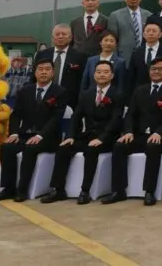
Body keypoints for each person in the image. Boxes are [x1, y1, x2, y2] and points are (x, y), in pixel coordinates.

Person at [41, 60, 123, 205]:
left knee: (91, 150)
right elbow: (76, 117)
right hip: (88, 135)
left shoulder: (118, 94)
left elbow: (115, 120)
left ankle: (85, 191)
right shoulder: (87, 94)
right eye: (98, 72)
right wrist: (71, 136)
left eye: (105, 72)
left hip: (108, 137)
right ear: (93, 74)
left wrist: (102, 138)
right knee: (63, 148)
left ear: (112, 75)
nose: (101, 75)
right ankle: (58, 189)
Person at [102, 57, 162, 206]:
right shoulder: (140, 90)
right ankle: (118, 191)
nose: (156, 72)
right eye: (153, 69)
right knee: (119, 146)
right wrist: (128, 131)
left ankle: (149, 191)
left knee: (153, 147)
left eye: (160, 69)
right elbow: (131, 113)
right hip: (139, 135)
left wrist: (159, 133)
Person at [0, 58, 66, 202]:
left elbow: (56, 119)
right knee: (7, 147)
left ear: (53, 72)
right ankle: (8, 189)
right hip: (25, 134)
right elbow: (16, 114)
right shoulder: (26, 90)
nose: (44, 72)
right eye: (40, 69)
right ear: (35, 72)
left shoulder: (59, 92)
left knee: (30, 148)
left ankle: (22, 190)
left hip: (47, 137)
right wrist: (14, 133)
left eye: (47, 69)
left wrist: (40, 136)